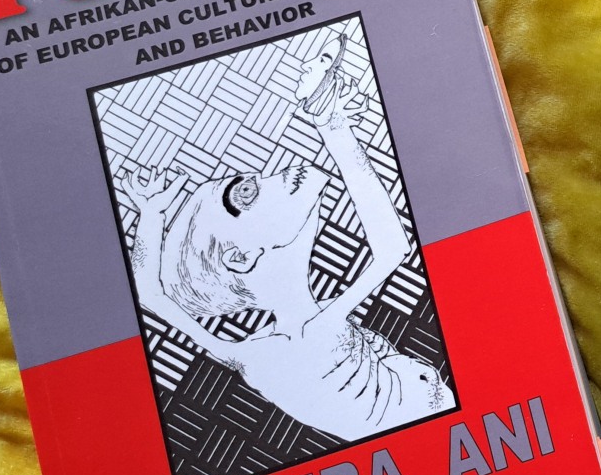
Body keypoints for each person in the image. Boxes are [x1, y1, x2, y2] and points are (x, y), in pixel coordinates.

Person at [115, 34, 450, 443]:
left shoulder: (252, 351)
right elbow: (392, 248)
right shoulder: (312, 335)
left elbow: (149, 294)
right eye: (246, 192)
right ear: (241, 256)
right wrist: (331, 124)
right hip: (427, 409)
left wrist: (151, 214)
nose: (276, 172)